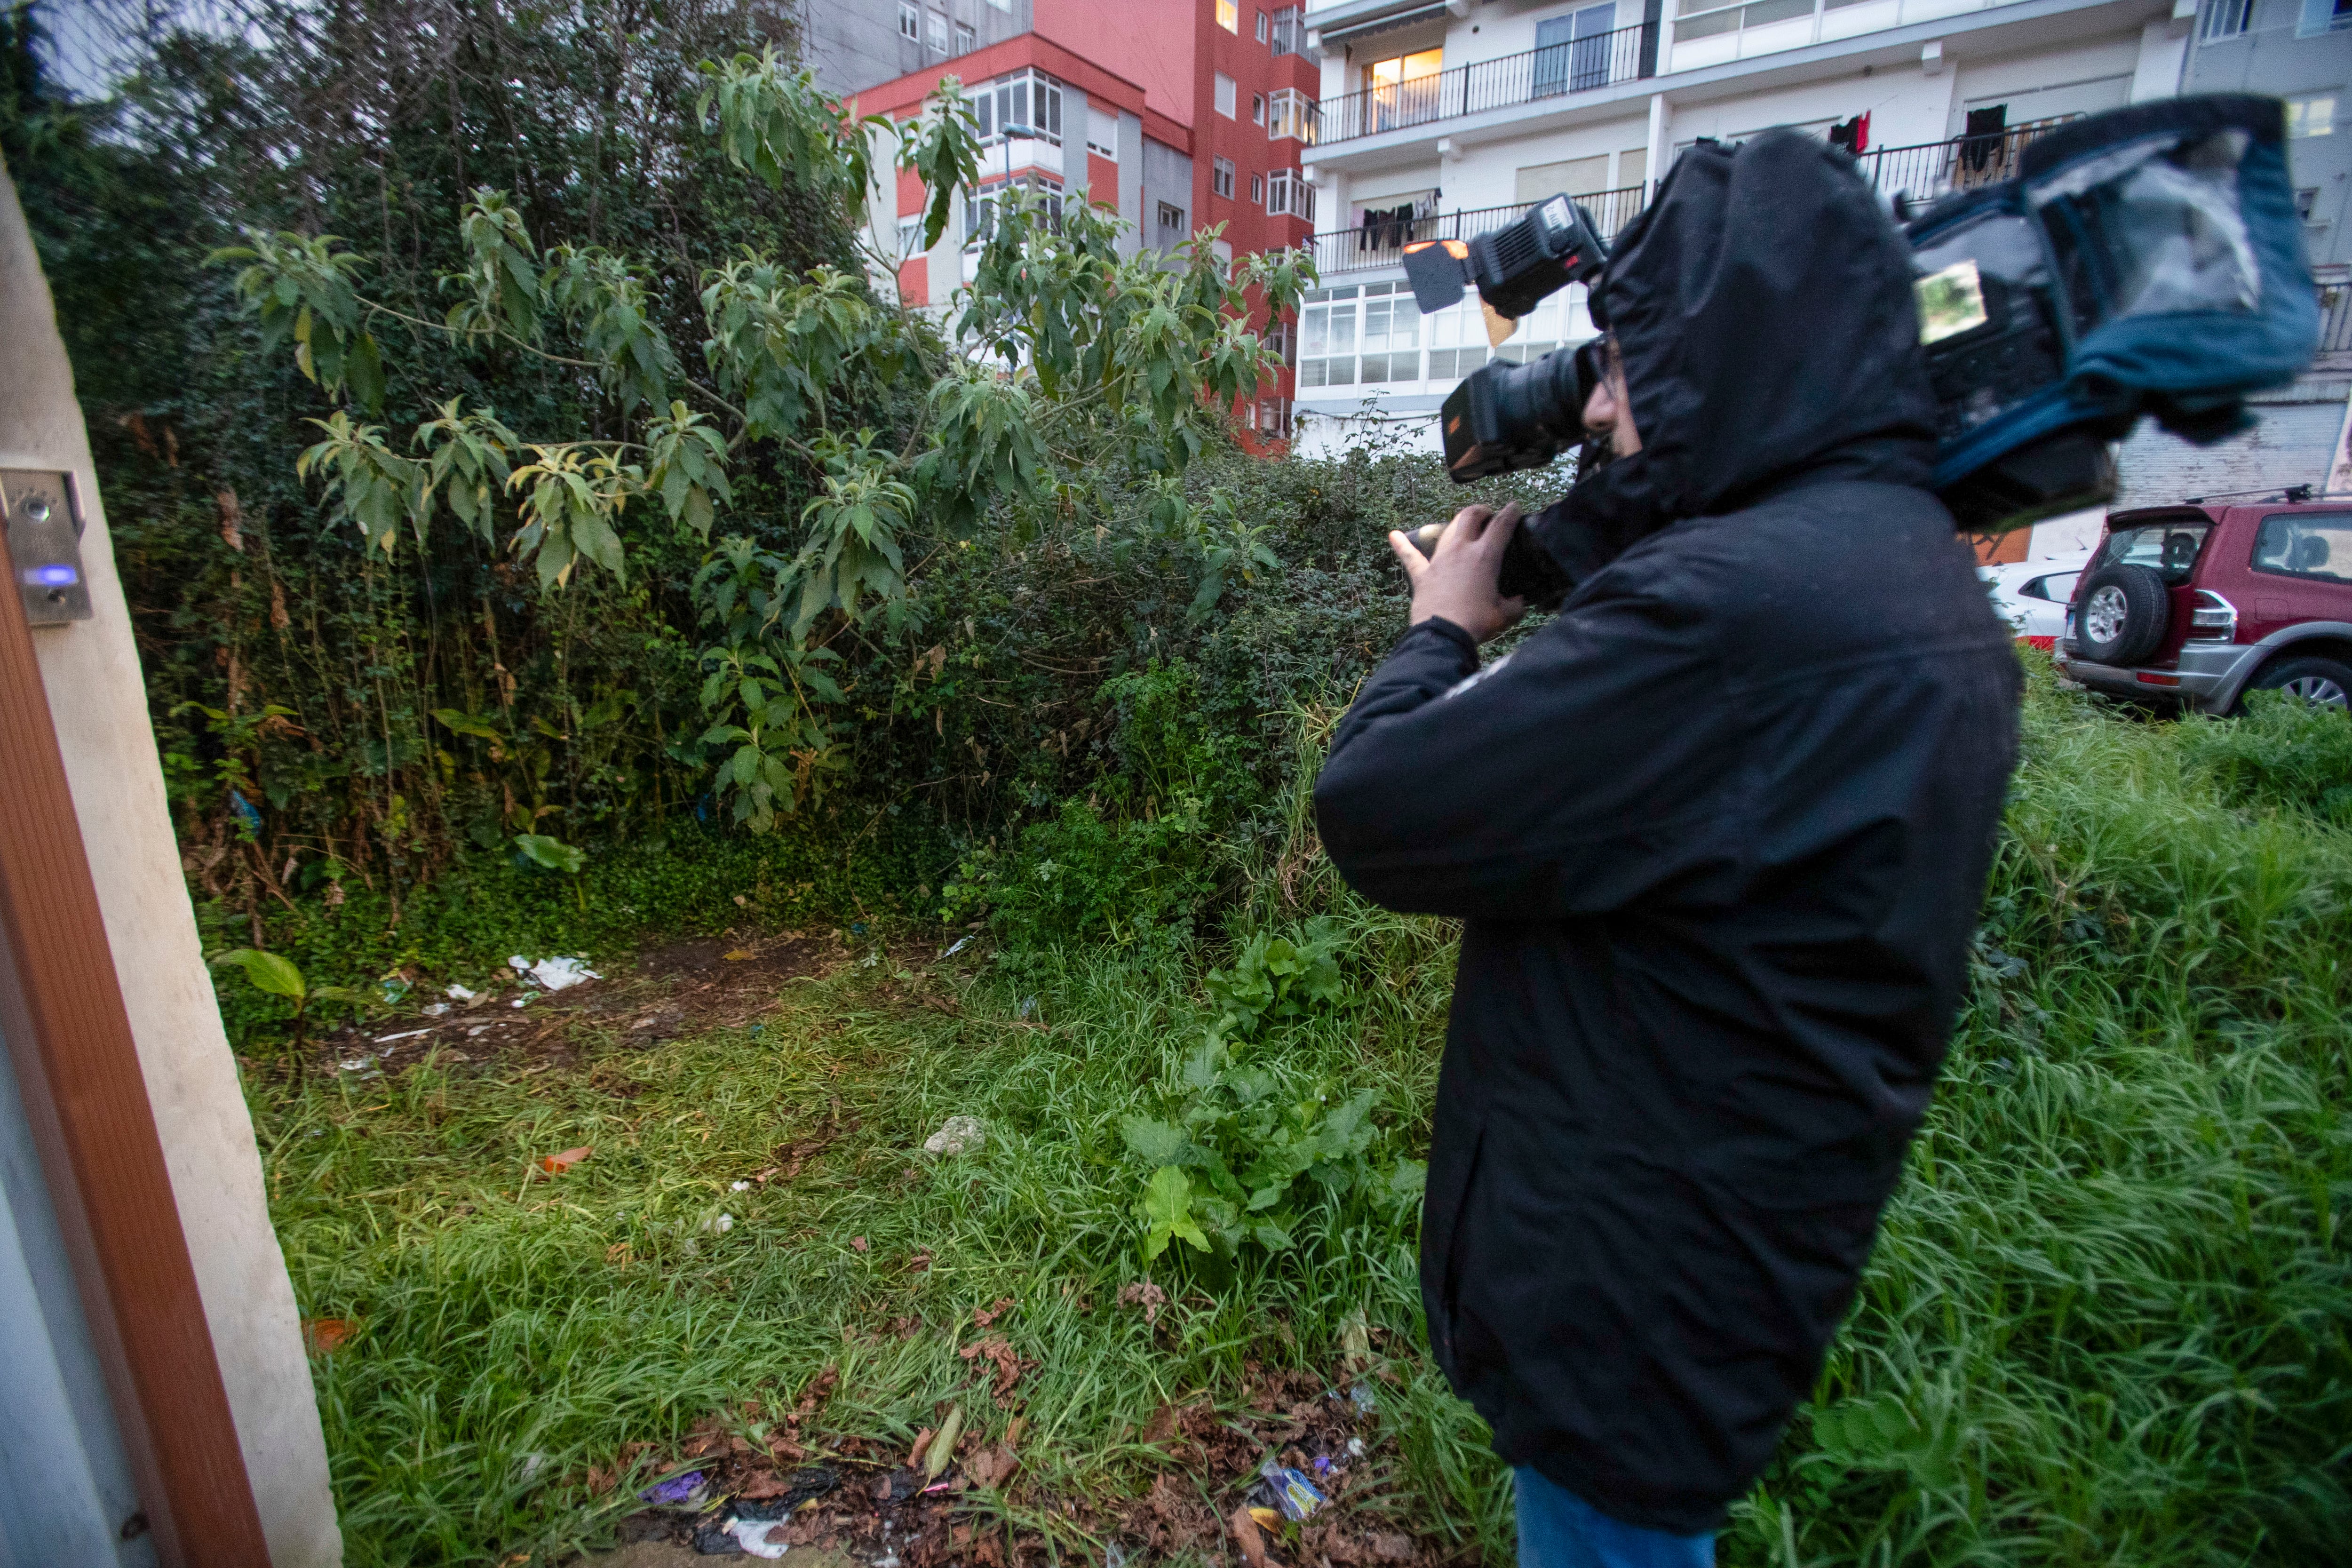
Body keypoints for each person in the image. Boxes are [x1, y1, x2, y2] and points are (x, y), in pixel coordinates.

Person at [1311, 132, 2023, 1566]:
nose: (1604, 407)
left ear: (1731, 356)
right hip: (1726, 1250)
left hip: (1632, 1291)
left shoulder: (1740, 617)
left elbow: (1379, 806)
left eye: (1630, 363)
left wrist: (1441, 631)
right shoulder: (1900, 577)